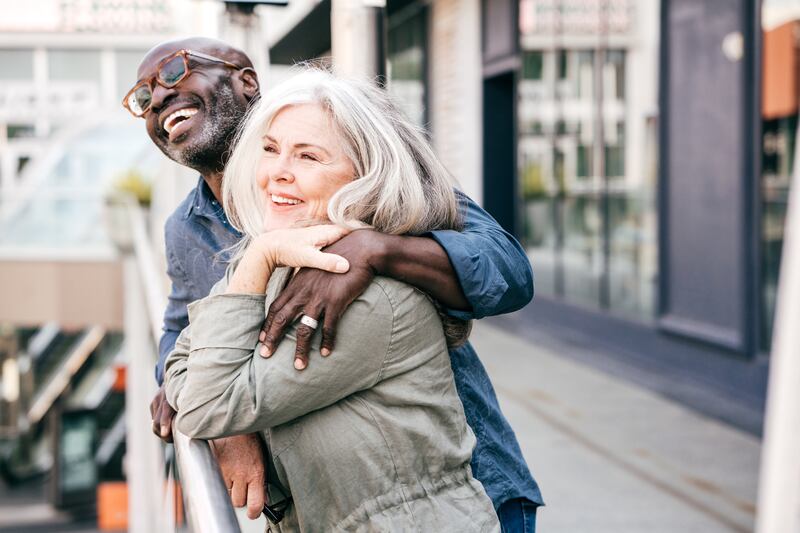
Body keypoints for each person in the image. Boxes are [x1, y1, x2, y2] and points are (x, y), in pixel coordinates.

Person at [126, 37, 542, 531]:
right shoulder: (186, 228)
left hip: (461, 485)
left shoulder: (363, 167)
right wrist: (224, 429)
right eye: (143, 96)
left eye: (174, 72)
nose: (158, 97)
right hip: (325, 504)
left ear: (246, 81)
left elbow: (508, 272)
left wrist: (376, 248)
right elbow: (182, 333)